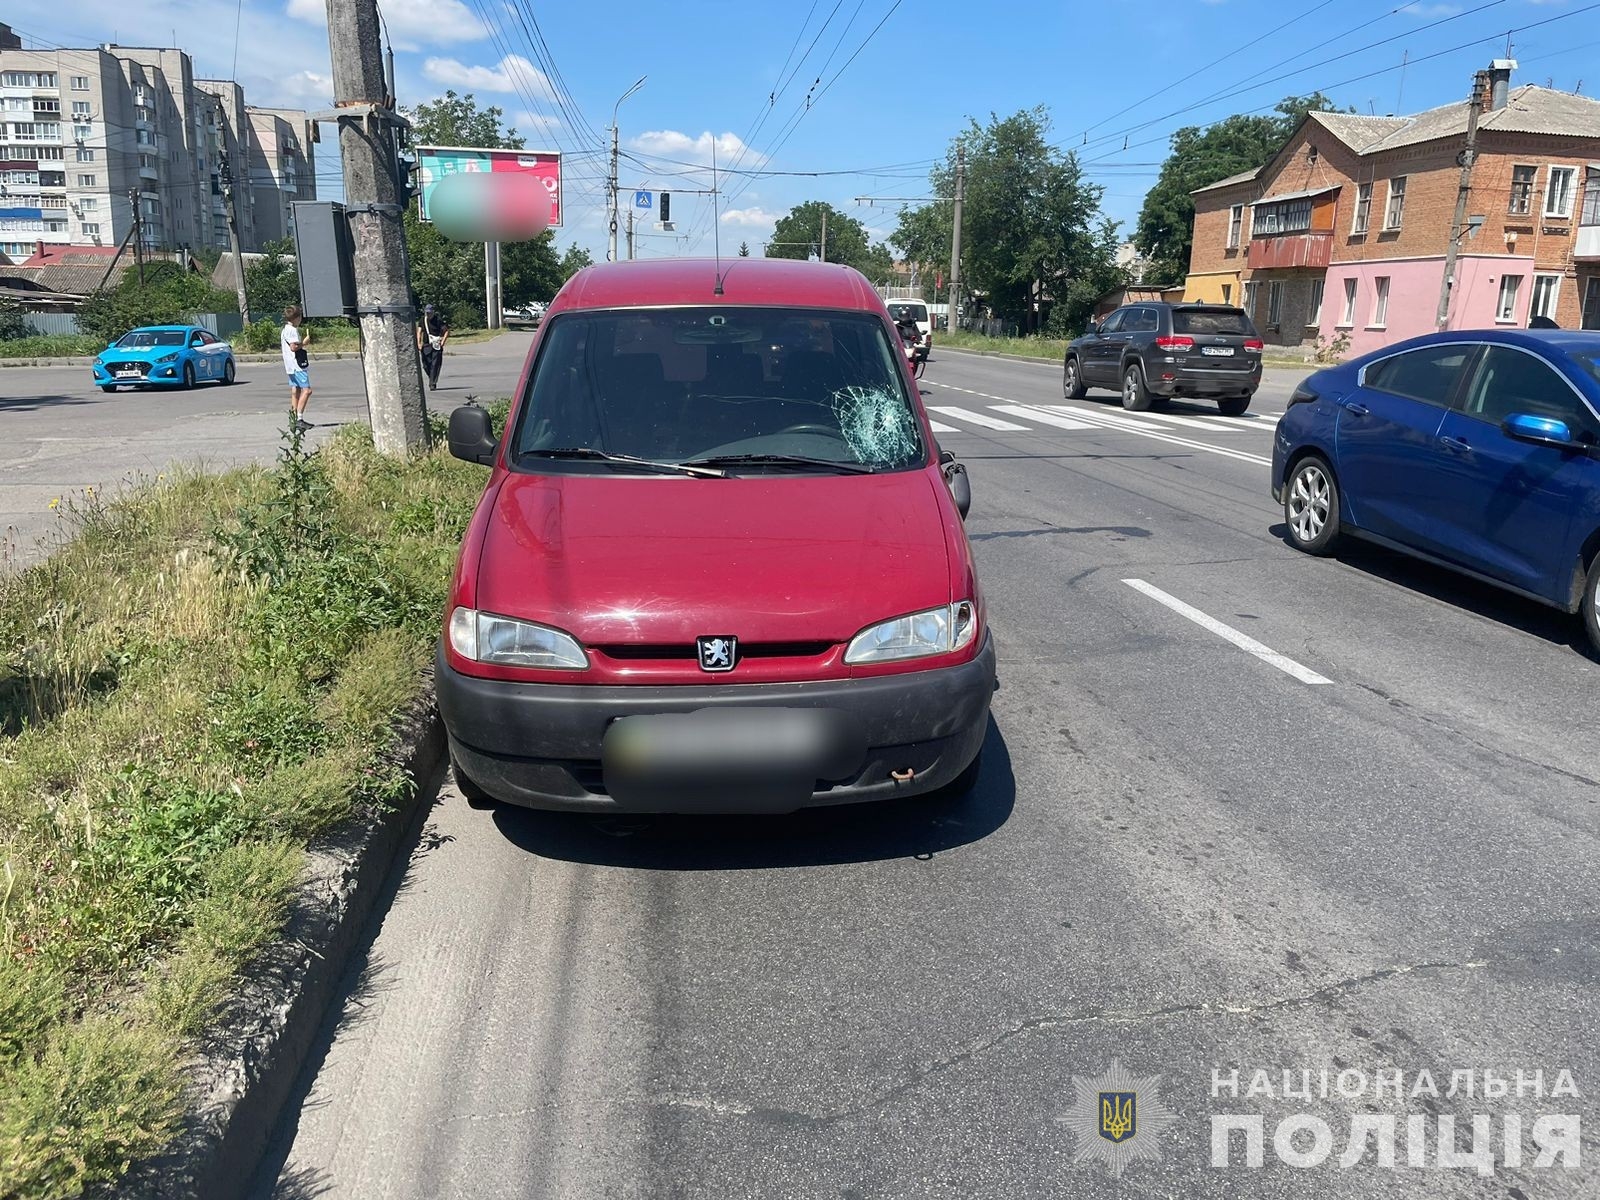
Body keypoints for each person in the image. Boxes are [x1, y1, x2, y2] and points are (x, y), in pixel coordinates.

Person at [281, 305, 312, 430]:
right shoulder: (292, 330)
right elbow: (293, 347)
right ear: (296, 318)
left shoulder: (285, 330)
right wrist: (304, 342)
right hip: (297, 365)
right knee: (307, 390)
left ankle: (294, 418)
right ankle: (299, 418)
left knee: (296, 390)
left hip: (289, 365)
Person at [418, 304, 450, 390]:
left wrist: (442, 342)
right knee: (425, 365)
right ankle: (432, 377)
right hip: (426, 345)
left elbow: (446, 331)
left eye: (430, 313)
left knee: (435, 365)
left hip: (436, 346)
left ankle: (432, 383)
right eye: (427, 313)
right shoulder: (422, 320)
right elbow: (419, 332)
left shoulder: (438, 320)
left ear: (433, 312)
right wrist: (419, 343)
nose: (428, 315)